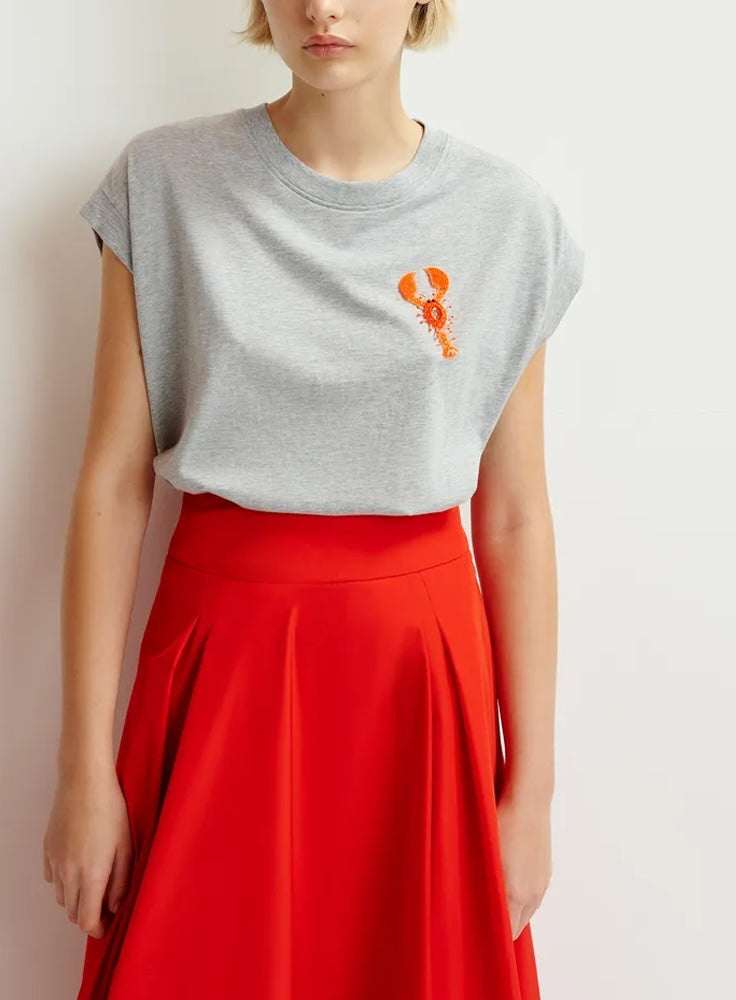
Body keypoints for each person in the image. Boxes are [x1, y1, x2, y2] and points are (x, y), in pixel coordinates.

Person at [42, 1, 585, 997]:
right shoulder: (164, 183)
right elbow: (113, 482)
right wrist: (83, 770)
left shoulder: (504, 216)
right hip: (217, 659)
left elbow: (513, 514)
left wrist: (532, 793)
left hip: (418, 679)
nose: (322, 8)